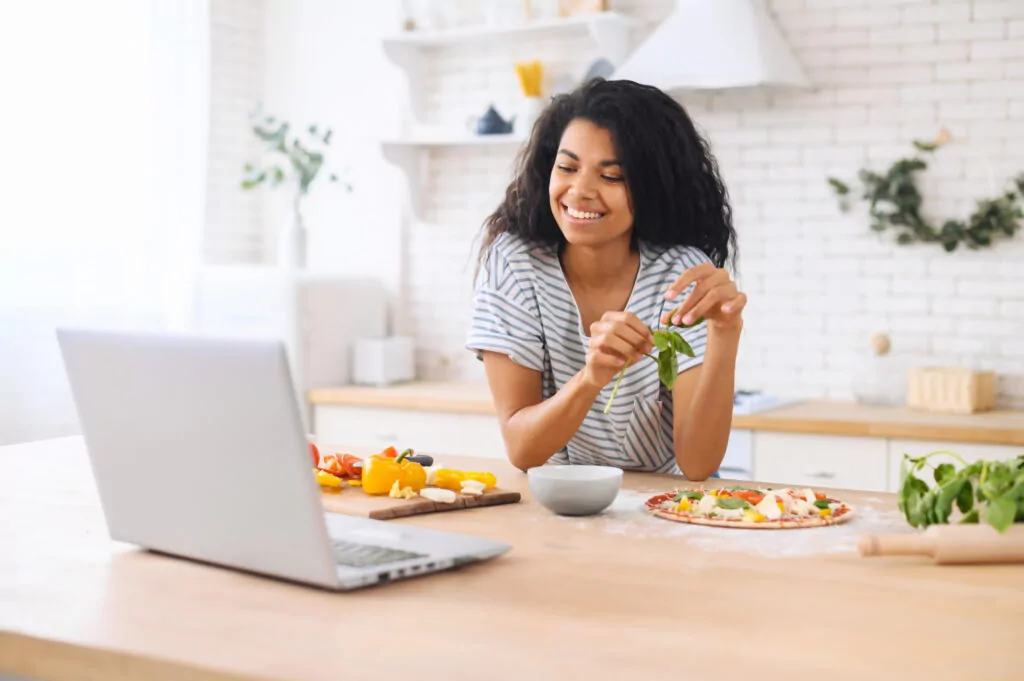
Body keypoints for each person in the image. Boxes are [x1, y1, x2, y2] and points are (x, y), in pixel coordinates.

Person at [466, 78, 744, 479]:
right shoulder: (515, 265)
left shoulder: (681, 276)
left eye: (611, 176)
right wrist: (591, 378)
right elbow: (522, 448)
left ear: (651, 187)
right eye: (567, 167)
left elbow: (698, 465)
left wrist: (725, 334)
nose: (580, 191)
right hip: (560, 499)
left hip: (665, 504)